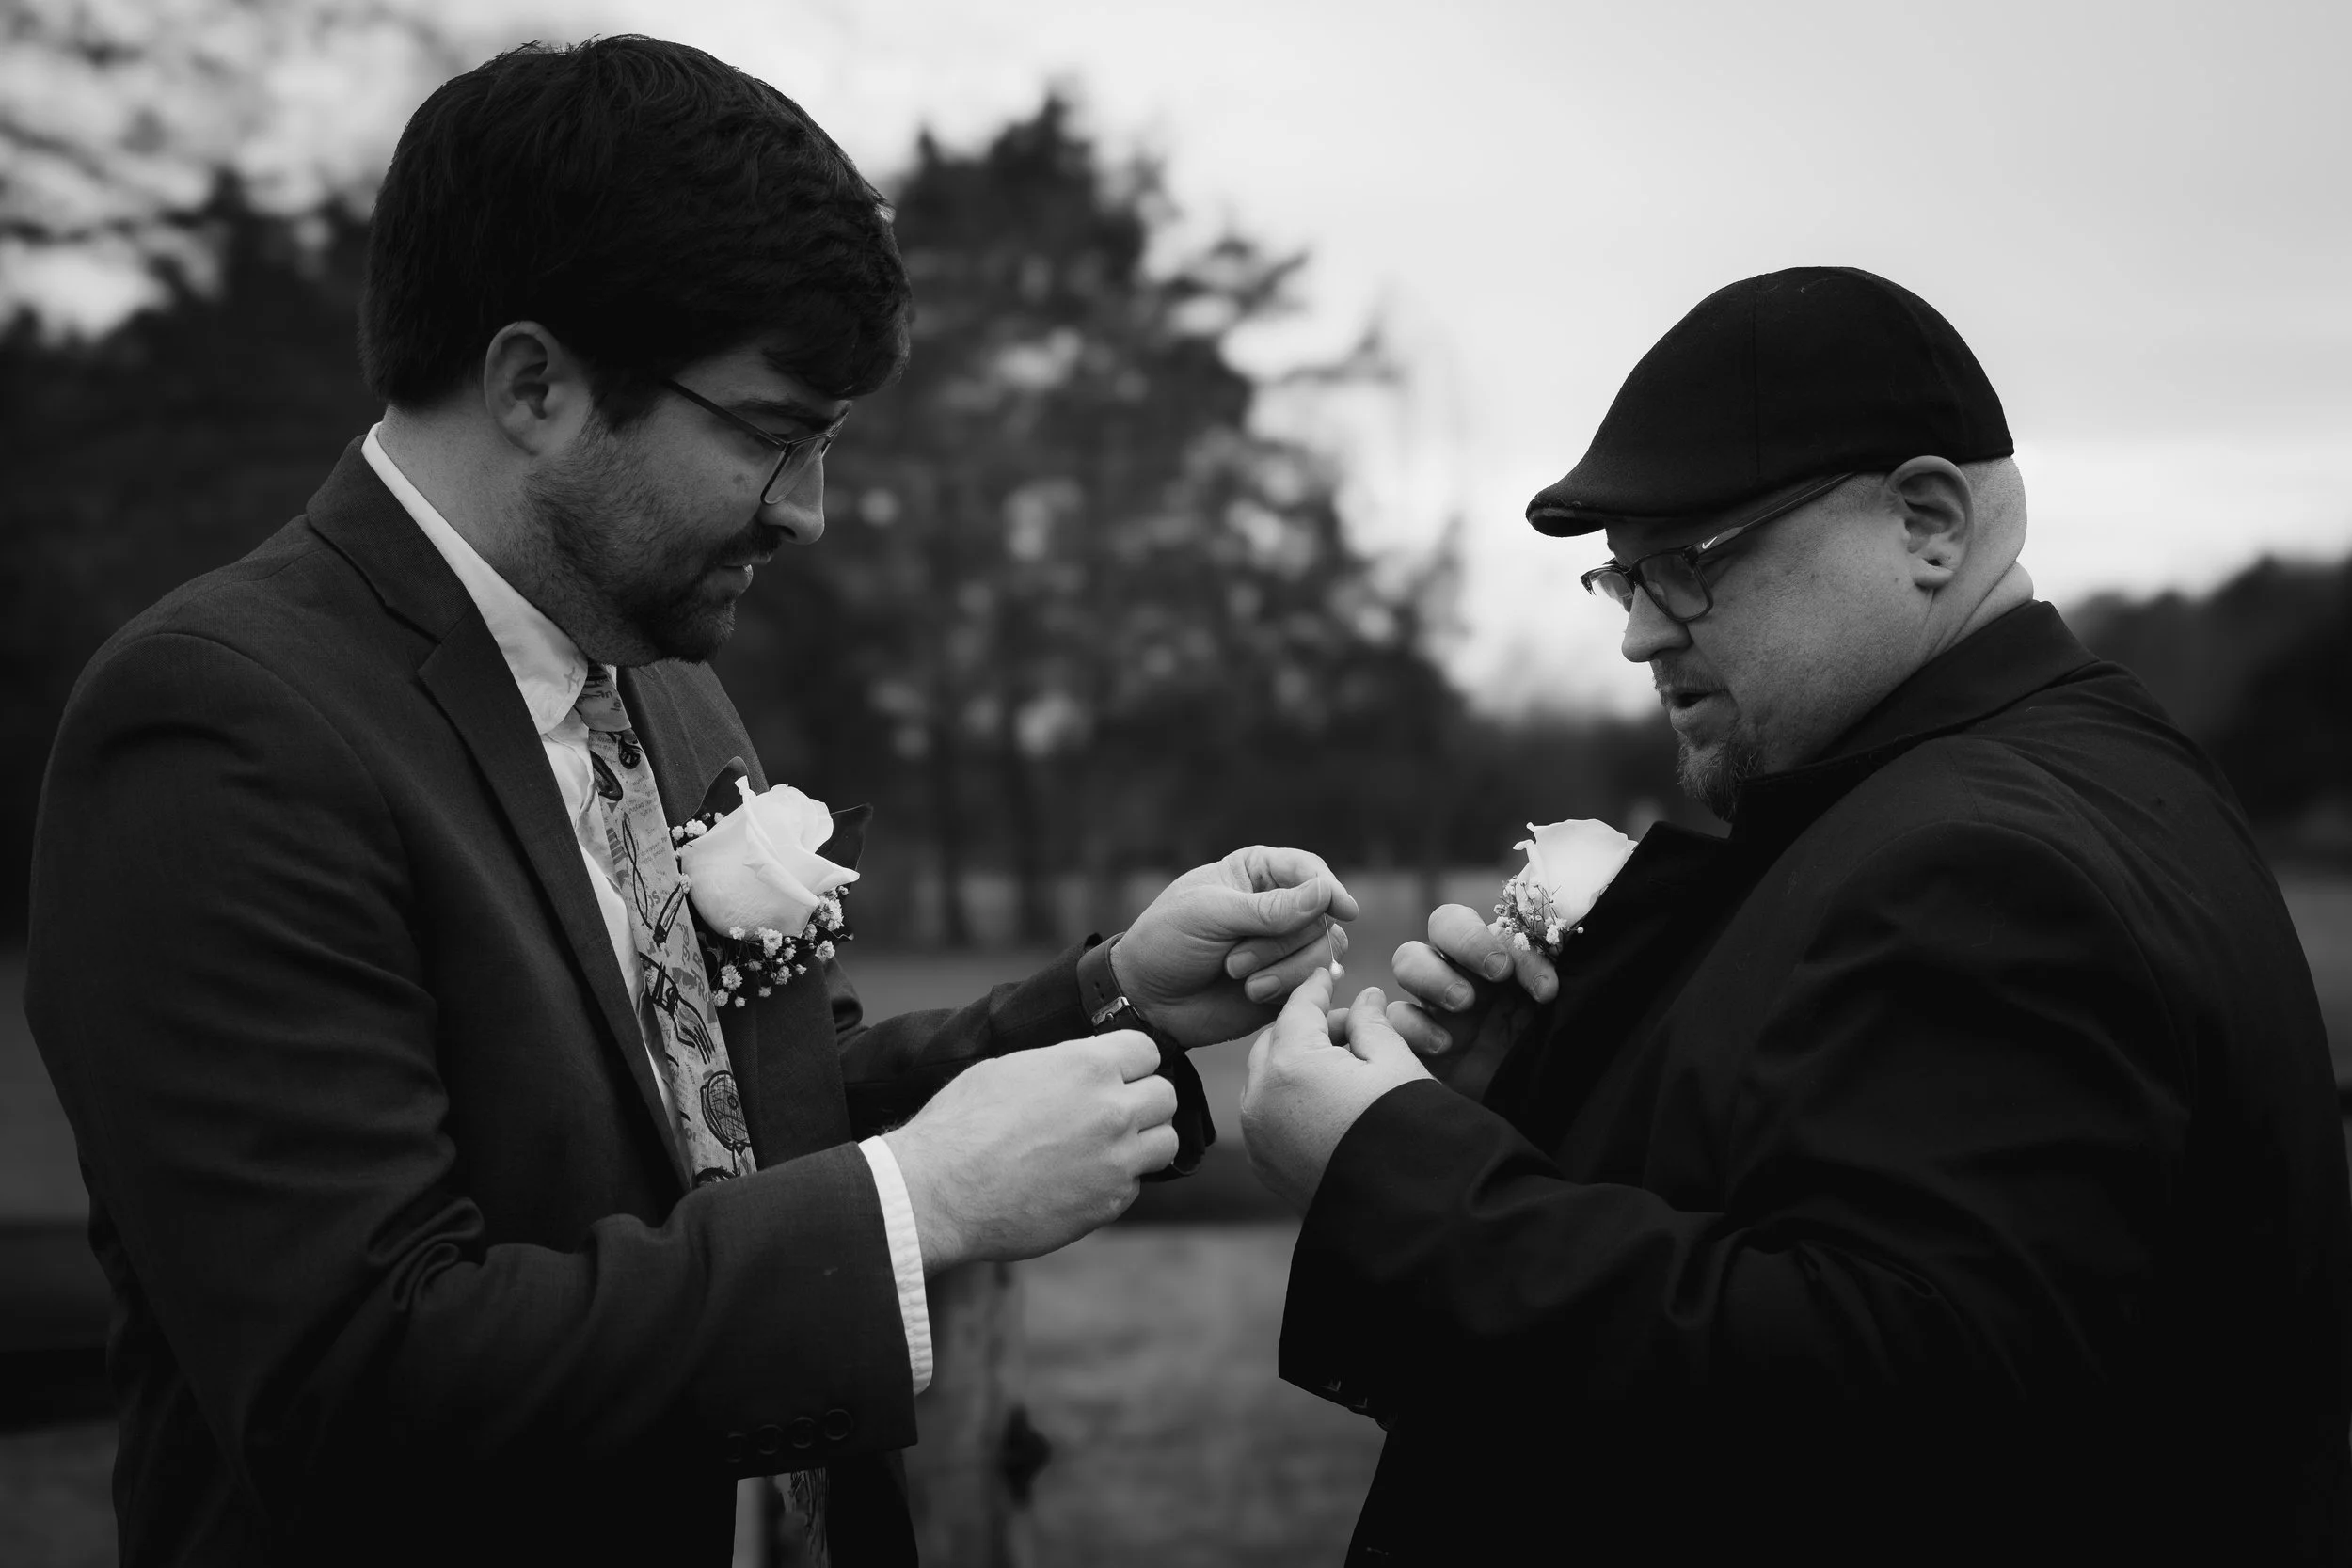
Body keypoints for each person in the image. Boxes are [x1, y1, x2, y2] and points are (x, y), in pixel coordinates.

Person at [24, 37, 1352, 1568]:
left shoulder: (652, 672)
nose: (808, 511)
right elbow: (360, 1376)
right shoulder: (219, 727)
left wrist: (1113, 996)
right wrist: (905, 1211)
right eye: (774, 434)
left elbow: (746, 1131)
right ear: (533, 383)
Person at [1241, 266, 2352, 1564]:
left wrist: (1393, 1164)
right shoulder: (2063, 775)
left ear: (1929, 523)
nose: (1641, 636)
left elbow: (1882, 1409)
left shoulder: (1984, 866)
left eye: (1691, 565)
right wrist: (1531, 1080)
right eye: (1625, 578)